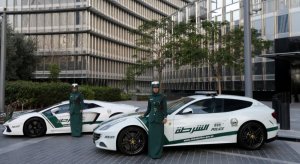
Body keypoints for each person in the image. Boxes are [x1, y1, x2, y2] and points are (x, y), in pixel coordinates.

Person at [143, 81, 167, 159]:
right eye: (154, 88)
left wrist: (165, 117)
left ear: (158, 88)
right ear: (152, 89)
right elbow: (149, 108)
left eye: (157, 88)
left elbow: (164, 108)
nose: (155, 89)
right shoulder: (150, 97)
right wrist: (144, 115)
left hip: (159, 120)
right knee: (152, 138)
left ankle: (158, 154)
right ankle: (152, 153)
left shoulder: (162, 96)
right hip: (152, 120)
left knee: (159, 137)